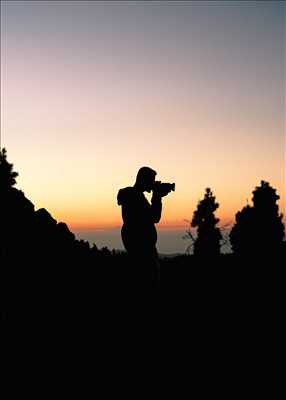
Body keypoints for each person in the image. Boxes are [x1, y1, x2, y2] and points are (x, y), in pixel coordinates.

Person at [117, 166, 172, 289]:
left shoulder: (132, 195)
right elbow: (154, 217)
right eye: (151, 180)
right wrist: (157, 197)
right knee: (148, 283)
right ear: (143, 180)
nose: (153, 184)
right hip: (142, 250)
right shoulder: (135, 197)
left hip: (140, 248)